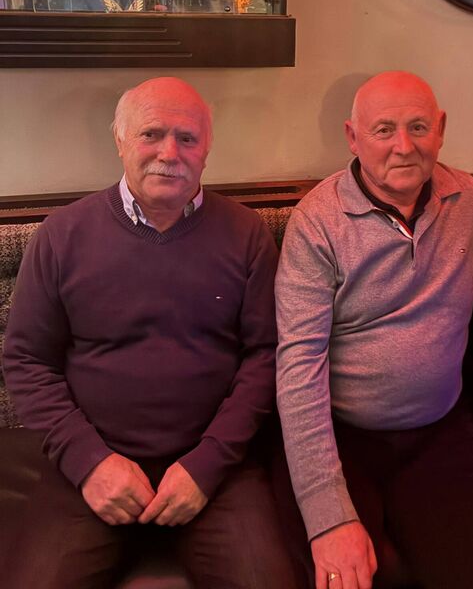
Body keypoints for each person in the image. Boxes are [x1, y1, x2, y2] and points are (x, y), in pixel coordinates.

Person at [275, 71, 473, 589]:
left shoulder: (470, 202)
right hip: (343, 438)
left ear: (441, 129)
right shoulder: (317, 223)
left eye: (419, 127)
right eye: (383, 130)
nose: (404, 146)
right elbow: (298, 368)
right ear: (353, 137)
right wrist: (329, 515)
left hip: (440, 432)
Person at [3, 76, 300, 589]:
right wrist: (90, 463)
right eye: (151, 134)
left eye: (187, 137)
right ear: (119, 141)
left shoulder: (248, 236)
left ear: (207, 148)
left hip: (217, 469)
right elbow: (27, 361)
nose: (170, 152)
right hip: (90, 466)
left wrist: (206, 466)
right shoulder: (62, 235)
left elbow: (266, 358)